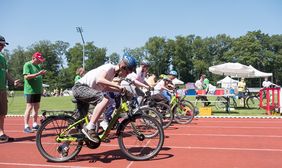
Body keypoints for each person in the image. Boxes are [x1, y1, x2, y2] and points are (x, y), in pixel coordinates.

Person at [72, 54, 137, 143]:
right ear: (123, 67)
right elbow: (99, 79)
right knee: (105, 99)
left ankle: (64, 146)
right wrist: (118, 87)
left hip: (85, 90)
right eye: (128, 72)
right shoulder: (109, 67)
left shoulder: (112, 74)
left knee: (78, 122)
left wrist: (120, 90)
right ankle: (90, 127)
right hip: (80, 88)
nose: (128, 75)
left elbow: (104, 88)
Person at [0, 35, 21, 142]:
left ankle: (1, 134)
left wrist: (13, 81)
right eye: (0, 44)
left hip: (2, 89)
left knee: (2, 112)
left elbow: (5, 72)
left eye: (3, 45)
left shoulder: (2, 57)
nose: (2, 46)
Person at [23, 52, 47, 133]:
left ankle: (35, 124)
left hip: (37, 90)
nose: (40, 61)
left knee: (36, 107)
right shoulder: (27, 65)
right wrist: (38, 73)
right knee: (29, 107)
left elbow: (38, 78)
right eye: (39, 60)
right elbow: (26, 77)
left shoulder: (38, 66)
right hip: (30, 90)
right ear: (34, 58)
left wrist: (41, 74)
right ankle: (26, 126)